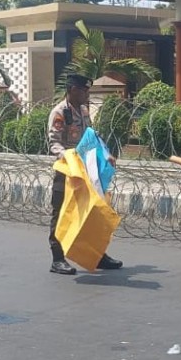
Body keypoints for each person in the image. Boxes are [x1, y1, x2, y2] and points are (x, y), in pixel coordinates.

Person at [47, 74, 123, 275]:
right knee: (62, 213)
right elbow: (54, 144)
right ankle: (57, 258)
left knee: (93, 213)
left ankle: (97, 254)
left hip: (87, 171)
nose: (86, 94)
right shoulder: (60, 112)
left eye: (88, 90)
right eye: (83, 90)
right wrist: (70, 157)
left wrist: (105, 155)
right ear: (72, 90)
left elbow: (92, 137)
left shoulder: (83, 111)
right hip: (68, 171)